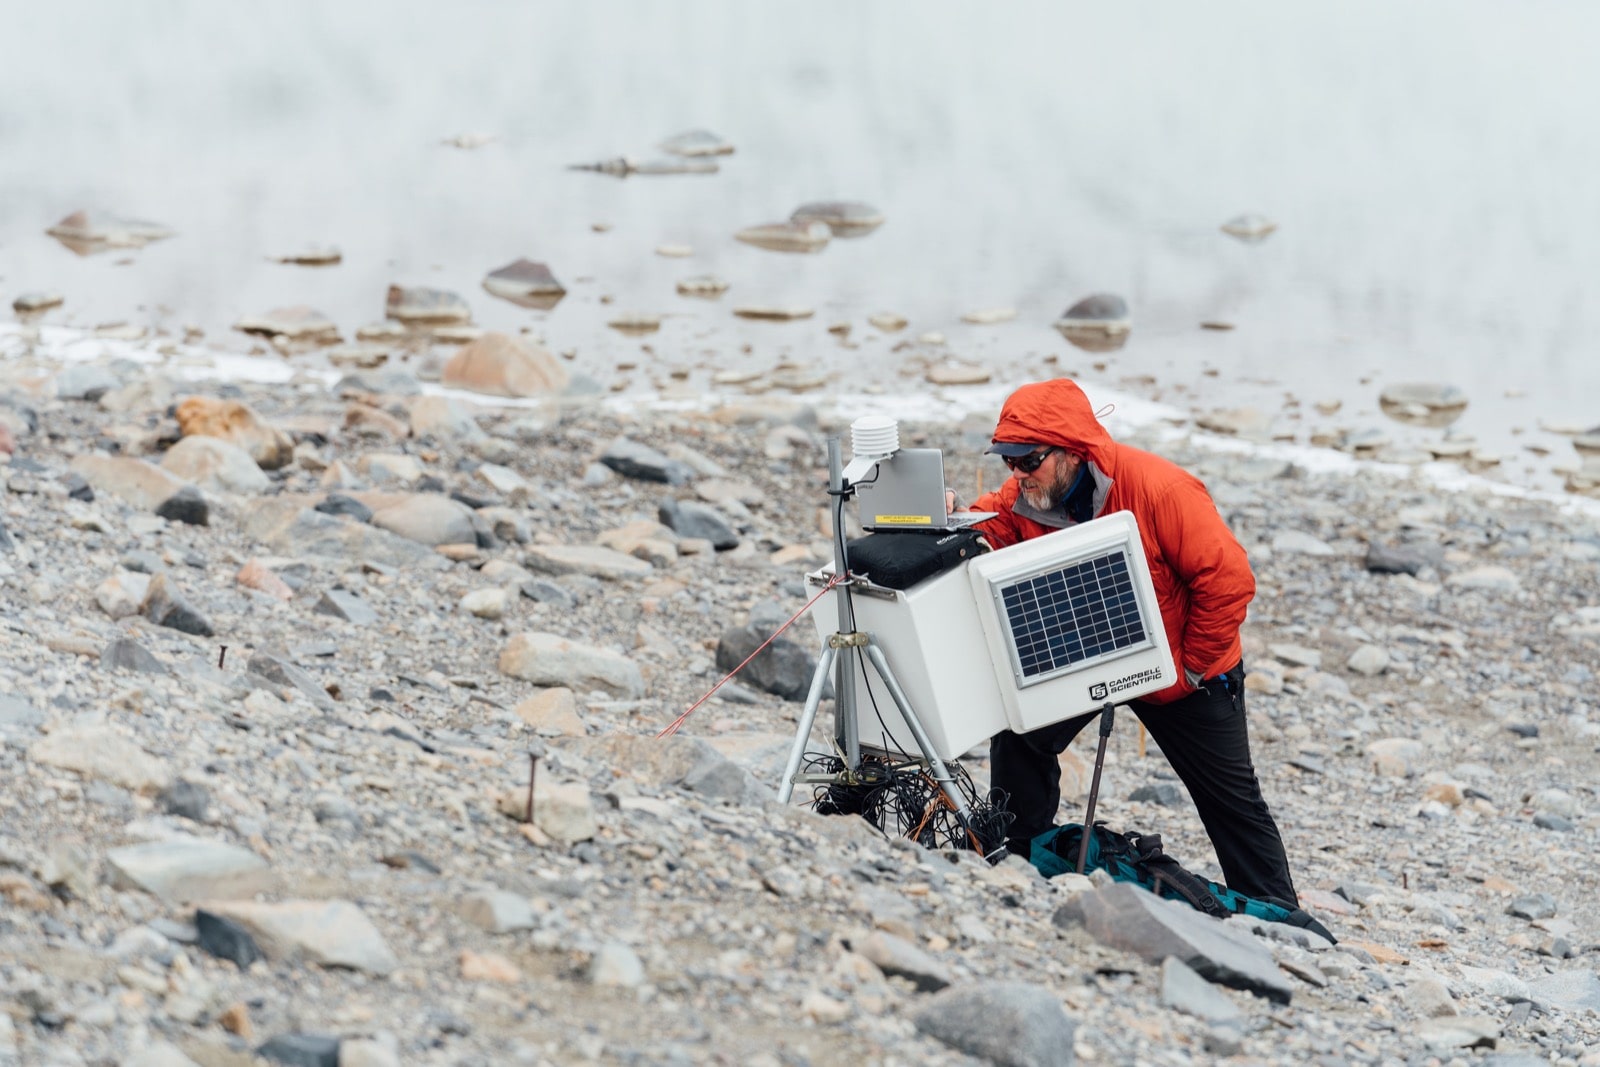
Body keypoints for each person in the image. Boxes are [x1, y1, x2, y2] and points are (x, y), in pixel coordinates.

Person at [952, 378, 1299, 905]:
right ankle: (1015, 860)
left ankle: (1280, 920)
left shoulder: (1161, 489)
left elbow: (1227, 580)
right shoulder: (1028, 497)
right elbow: (989, 530)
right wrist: (947, 517)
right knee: (1021, 732)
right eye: (1008, 461)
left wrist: (1191, 669)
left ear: (1072, 449)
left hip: (1185, 674)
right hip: (1089, 657)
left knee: (1231, 802)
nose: (1016, 474)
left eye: (1028, 460)